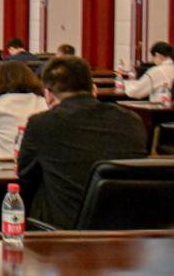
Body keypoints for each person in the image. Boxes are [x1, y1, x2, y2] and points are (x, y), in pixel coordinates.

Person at [17, 56, 148, 229]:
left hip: (64, 233)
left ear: (48, 95)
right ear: (94, 89)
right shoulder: (132, 120)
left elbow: (24, 178)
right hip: (126, 232)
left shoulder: (41, 124)